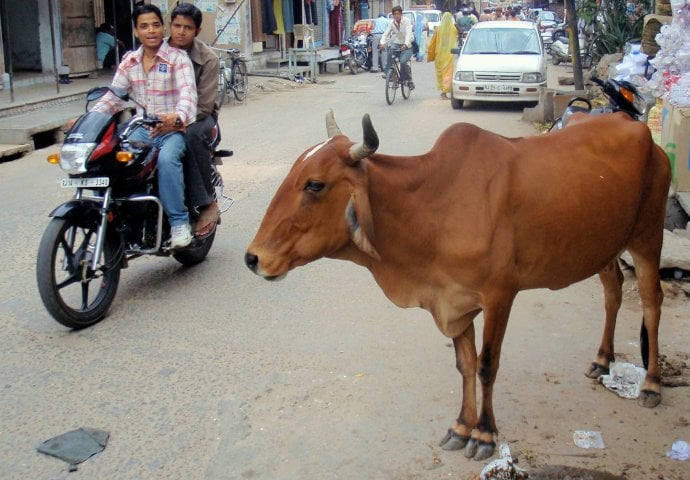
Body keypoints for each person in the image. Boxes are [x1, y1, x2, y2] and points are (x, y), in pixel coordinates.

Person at [92, 4, 197, 249]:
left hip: (172, 131)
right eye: (144, 26)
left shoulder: (177, 58)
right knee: (107, 157)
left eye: (155, 25)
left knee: (167, 160)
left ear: (162, 28)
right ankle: (108, 220)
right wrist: (90, 118)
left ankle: (179, 223)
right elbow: (113, 98)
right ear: (136, 31)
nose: (151, 31)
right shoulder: (129, 61)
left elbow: (188, 96)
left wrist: (177, 117)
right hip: (141, 130)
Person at [168, 3, 221, 238]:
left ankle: (206, 202)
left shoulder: (208, 59)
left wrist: (175, 121)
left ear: (196, 31)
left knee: (190, 135)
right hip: (159, 117)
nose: (181, 31)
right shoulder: (155, 52)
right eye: (177, 26)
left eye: (187, 28)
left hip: (198, 117)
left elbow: (204, 105)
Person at [380, 5, 415, 90]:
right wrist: (382, 43)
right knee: (390, 52)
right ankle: (389, 73)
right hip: (398, 43)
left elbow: (409, 34)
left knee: (403, 62)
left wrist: (406, 44)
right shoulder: (392, 23)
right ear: (392, 15)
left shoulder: (406, 21)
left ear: (401, 14)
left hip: (408, 44)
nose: (396, 15)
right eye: (394, 14)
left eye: (398, 14)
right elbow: (386, 33)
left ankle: (409, 80)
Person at [427, 12, 457, 100]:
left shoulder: (438, 29)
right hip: (449, 55)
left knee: (441, 74)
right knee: (448, 74)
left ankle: (443, 92)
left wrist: (430, 54)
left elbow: (433, 42)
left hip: (439, 55)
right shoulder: (453, 29)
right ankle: (445, 91)